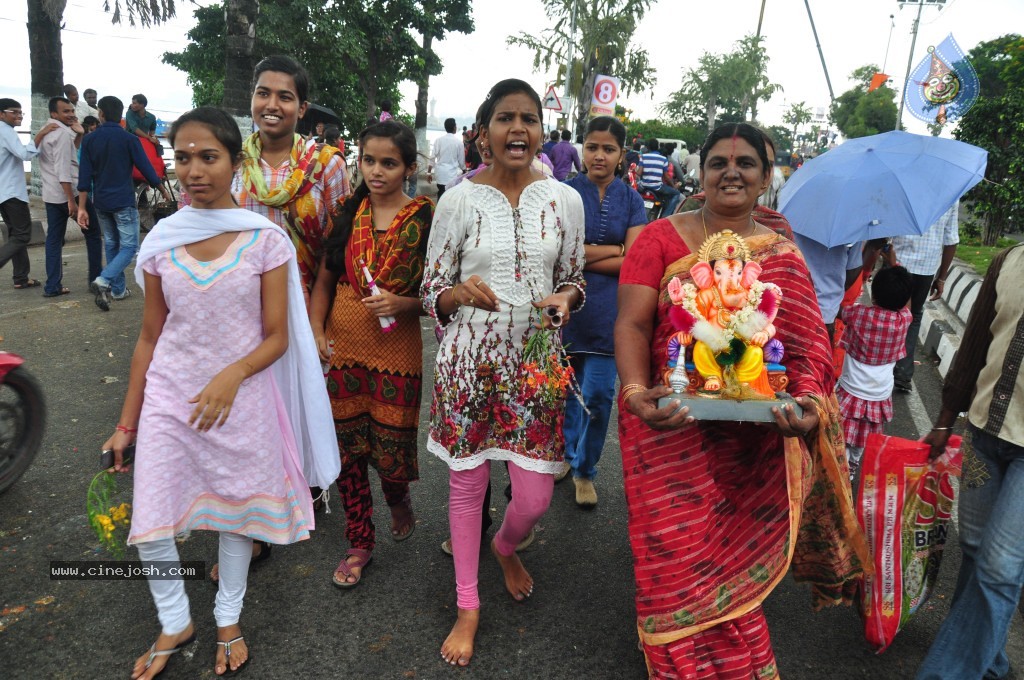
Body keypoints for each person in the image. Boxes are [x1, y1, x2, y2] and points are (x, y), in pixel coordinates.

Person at [614, 122, 868, 678]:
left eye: (747, 163)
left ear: (765, 178)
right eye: (719, 163)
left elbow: (805, 345)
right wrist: (635, 393)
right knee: (673, 555)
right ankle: (676, 658)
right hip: (670, 423)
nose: (732, 171)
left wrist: (804, 404)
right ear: (700, 174)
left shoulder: (781, 253)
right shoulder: (657, 239)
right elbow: (633, 326)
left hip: (753, 441)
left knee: (729, 556)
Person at [102, 106, 336, 679]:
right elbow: (150, 336)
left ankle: (228, 618)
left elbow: (278, 335)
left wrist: (233, 374)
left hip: (242, 397)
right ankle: (175, 620)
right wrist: (126, 424)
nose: (193, 170)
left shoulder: (265, 240)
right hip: (169, 398)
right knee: (152, 518)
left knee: (236, 517)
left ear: (236, 162)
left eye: (209, 157)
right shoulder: (161, 240)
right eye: (183, 157)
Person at [421, 78, 585, 667]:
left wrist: (565, 301)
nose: (518, 128)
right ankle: (468, 605)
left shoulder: (566, 201)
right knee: (467, 486)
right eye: (504, 118)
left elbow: (574, 278)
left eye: (529, 118)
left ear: (542, 131)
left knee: (535, 497)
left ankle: (505, 545)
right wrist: (453, 294)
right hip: (467, 363)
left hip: (533, 368)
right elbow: (429, 291)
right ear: (484, 132)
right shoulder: (457, 201)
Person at [309, 120, 431, 588]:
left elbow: (437, 292)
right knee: (347, 448)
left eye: (389, 163)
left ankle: (397, 495)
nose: (376, 171)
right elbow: (324, 278)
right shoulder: (348, 209)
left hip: (396, 346)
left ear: (409, 167)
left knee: (390, 442)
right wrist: (317, 328)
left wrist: (405, 304)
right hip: (345, 345)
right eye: (368, 160)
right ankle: (360, 539)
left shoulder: (425, 217)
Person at [913, 242, 1024, 680]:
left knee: (1000, 566)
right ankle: (990, 658)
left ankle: (949, 672)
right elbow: (976, 343)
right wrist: (944, 421)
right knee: (976, 550)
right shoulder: (1009, 260)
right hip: (984, 431)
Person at [561, 115, 646, 507]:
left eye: (608, 149)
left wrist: (583, 257)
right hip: (564, 309)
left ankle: (585, 470)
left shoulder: (631, 200)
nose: (599, 155)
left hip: (610, 313)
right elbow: (558, 257)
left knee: (597, 395)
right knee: (562, 390)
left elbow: (635, 263)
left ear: (620, 155)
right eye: (592, 147)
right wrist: (613, 251)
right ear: (582, 148)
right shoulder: (561, 193)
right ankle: (563, 455)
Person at [234, 55, 350, 300]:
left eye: (284, 97)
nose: (272, 105)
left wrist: (319, 320)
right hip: (240, 304)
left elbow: (339, 244)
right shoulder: (232, 163)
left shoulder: (326, 164)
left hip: (305, 303)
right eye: (263, 93)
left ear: (302, 108)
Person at [77, 95, 169, 311]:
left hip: (100, 201)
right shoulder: (129, 140)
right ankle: (104, 280)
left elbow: (84, 177)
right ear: (122, 117)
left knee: (111, 243)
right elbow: (147, 169)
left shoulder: (89, 140)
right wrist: (163, 189)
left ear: (100, 114)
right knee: (130, 247)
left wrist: (82, 207)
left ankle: (118, 291)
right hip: (123, 200)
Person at [835, 265, 913, 480]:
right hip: (879, 394)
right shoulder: (903, 320)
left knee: (844, 433)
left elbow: (837, 309)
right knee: (863, 436)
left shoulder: (859, 314)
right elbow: (907, 305)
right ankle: (853, 464)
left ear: (874, 293)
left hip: (851, 390)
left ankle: (841, 465)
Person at [889, 202, 959, 393]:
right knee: (913, 318)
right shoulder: (952, 192)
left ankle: (881, 368)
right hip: (926, 270)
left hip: (897, 262)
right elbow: (951, 240)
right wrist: (941, 278)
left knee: (888, 314)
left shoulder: (907, 179)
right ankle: (903, 374)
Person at [38, 96, 100, 297]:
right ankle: (96, 280)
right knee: (93, 233)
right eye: (66, 111)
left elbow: (66, 155)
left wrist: (79, 135)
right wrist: (72, 202)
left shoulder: (48, 131)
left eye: (72, 110)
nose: (71, 114)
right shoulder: (62, 134)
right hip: (68, 194)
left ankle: (52, 286)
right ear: (54, 113)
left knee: (54, 240)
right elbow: (63, 169)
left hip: (50, 195)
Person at [1, 100, 50, 289]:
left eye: (21, 112)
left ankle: (21, 277)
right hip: (12, 192)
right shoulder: (6, 130)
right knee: (22, 235)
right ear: (1, 114)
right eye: (14, 112)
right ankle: (20, 276)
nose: (19, 116)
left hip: (4, 192)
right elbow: (25, 154)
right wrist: (40, 135)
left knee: (15, 234)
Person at [793, 234, 864, 343]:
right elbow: (853, 268)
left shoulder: (796, 219)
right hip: (826, 311)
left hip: (793, 302)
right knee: (820, 356)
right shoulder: (852, 227)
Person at [638, 138, 681, 216]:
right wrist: (673, 186)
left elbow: (639, 173)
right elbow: (667, 177)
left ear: (648, 147)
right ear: (657, 147)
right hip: (657, 187)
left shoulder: (643, 157)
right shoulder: (663, 159)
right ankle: (665, 216)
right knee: (676, 194)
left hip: (643, 187)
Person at [427, 117, 465, 198]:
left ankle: (438, 210)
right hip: (452, 176)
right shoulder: (459, 143)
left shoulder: (438, 140)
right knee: (450, 197)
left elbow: (432, 157)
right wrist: (465, 171)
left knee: (440, 194)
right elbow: (462, 162)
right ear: (454, 127)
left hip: (440, 175)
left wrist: (429, 173)